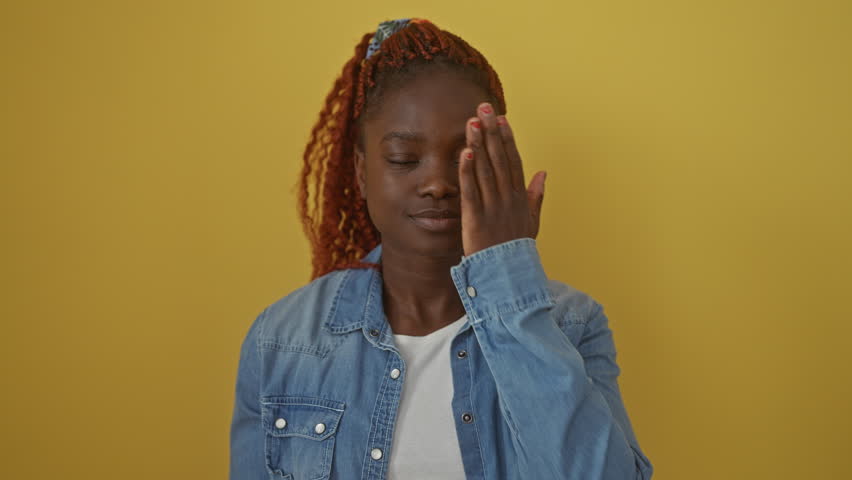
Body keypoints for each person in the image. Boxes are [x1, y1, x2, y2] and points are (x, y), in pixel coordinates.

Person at [229, 18, 654, 480]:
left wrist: (508, 272)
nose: (436, 183)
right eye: (404, 159)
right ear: (361, 172)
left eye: (465, 157)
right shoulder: (281, 340)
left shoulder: (572, 323)